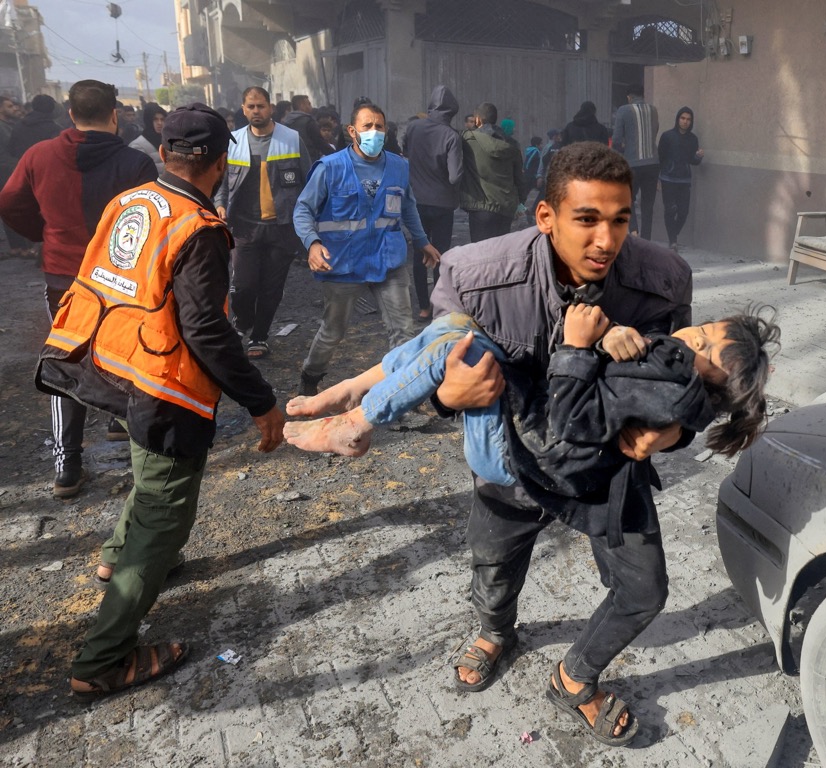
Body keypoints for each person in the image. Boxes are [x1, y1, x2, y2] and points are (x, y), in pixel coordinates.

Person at [290, 141, 700, 746]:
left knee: (645, 589)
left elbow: (682, 377)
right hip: (509, 453)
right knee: (493, 562)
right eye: (586, 220)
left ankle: (574, 676)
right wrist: (445, 398)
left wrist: (675, 430)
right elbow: (437, 362)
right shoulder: (476, 273)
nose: (605, 241)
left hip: (603, 462)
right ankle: (495, 630)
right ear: (546, 217)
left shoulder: (663, 280)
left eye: (619, 220)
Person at [35, 102, 285, 700]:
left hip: (109, 363)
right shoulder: (199, 228)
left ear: (164, 150)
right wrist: (261, 401)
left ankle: (116, 557)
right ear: (222, 163)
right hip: (162, 384)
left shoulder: (132, 201)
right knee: (166, 506)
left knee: (150, 486)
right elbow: (206, 329)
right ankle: (103, 657)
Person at [283, 303, 778, 499]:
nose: (695, 337)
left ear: (714, 387)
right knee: (454, 326)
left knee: (458, 348)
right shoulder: (667, 365)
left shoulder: (671, 390)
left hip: (520, 459)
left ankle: (356, 417)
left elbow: (570, 415)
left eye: (709, 351)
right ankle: (356, 391)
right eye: (708, 331)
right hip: (525, 429)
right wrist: (611, 338)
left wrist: (580, 346)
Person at [0, 80, 157, 498]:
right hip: (122, 279)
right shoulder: (135, 163)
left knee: (64, 361)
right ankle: (120, 429)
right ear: (114, 114)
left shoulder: (38, 155)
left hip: (63, 277)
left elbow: (9, 202)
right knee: (122, 353)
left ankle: (67, 465)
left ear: (70, 113)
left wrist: (44, 234)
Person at [293, 100, 441, 396]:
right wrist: (312, 244)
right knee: (333, 331)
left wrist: (422, 241)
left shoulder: (399, 166)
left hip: (388, 260)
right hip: (344, 264)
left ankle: (402, 396)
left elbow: (407, 206)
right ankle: (311, 375)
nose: (375, 132)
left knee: (403, 330)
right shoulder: (330, 168)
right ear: (352, 131)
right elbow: (302, 210)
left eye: (379, 126)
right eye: (367, 126)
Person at [214, 86, 311, 359]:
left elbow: (309, 179)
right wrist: (220, 204)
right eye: (251, 107)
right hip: (244, 228)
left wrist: (306, 220)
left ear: (270, 108)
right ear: (244, 110)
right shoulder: (233, 142)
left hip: (281, 228)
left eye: (261, 106)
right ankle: (242, 321)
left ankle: (259, 336)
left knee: (271, 288)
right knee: (243, 286)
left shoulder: (291, 139)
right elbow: (222, 182)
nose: (256, 111)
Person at [403, 85, 463, 319]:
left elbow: (406, 153)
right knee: (440, 255)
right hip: (442, 205)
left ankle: (423, 307)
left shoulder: (413, 127)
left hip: (416, 201)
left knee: (420, 253)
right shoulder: (451, 136)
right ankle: (439, 307)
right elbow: (454, 176)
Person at [460, 102, 526, 242]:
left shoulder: (468, 139)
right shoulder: (512, 145)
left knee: (481, 253)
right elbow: (519, 178)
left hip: (481, 207)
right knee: (499, 253)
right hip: (506, 208)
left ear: (478, 120)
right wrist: (521, 201)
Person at [612, 84, 659, 240]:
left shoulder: (624, 110)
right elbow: (655, 131)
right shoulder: (653, 110)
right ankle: (646, 239)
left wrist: (624, 149)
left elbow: (617, 139)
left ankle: (634, 232)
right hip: (653, 163)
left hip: (632, 164)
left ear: (629, 97)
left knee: (628, 199)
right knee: (648, 205)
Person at [658, 107, 704, 250]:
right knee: (670, 210)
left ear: (691, 122)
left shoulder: (693, 139)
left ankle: (673, 235)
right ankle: (673, 241)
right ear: (678, 119)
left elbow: (693, 161)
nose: (685, 122)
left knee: (684, 212)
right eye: (682, 118)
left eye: (688, 119)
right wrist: (657, 179)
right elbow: (660, 158)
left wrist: (698, 157)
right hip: (668, 178)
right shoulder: (667, 136)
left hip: (684, 180)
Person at [0, 94, 32, 258]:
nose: (15, 109)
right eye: (9, 107)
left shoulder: (10, 125)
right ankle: (19, 247)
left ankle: (19, 246)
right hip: (6, 174)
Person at [283, 94, 334, 161]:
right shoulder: (308, 122)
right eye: (309, 104)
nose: (311, 107)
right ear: (302, 105)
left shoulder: (286, 123)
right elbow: (320, 143)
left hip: (291, 162)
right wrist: (336, 155)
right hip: (309, 161)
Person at [129, 102, 167, 173]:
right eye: (155, 119)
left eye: (162, 119)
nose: (159, 123)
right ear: (148, 121)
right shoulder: (137, 145)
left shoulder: (167, 140)